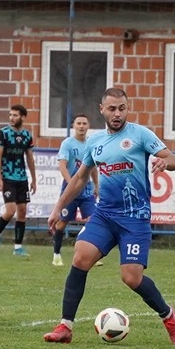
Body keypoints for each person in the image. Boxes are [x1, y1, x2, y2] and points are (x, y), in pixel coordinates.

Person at [43, 87, 175, 345]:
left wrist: (165, 162)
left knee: (131, 278)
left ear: (127, 108)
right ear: (102, 110)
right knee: (80, 257)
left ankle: (169, 316)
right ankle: (65, 326)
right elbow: (80, 178)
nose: (117, 114)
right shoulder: (95, 142)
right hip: (105, 215)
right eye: (112, 109)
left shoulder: (140, 134)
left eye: (122, 108)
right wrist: (58, 208)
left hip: (135, 218)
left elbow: (173, 158)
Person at [0, 104, 37, 259]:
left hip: (22, 178)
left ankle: (18, 247)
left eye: (15, 115)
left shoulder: (27, 135)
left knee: (22, 211)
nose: (12, 118)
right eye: (10, 115)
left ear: (23, 117)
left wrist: (34, 179)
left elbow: (30, 158)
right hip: (7, 177)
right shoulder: (4, 133)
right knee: (10, 211)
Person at [51, 114, 100, 267]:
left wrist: (96, 185)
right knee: (62, 222)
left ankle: (90, 254)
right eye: (79, 123)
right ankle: (56, 254)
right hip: (70, 190)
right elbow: (62, 165)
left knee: (93, 220)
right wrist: (70, 183)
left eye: (84, 123)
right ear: (74, 126)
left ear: (88, 126)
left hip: (86, 190)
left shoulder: (91, 144)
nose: (81, 126)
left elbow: (92, 168)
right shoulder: (67, 144)